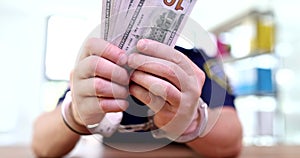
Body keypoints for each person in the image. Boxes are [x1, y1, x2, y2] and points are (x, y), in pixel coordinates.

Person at [31, 25, 243, 157]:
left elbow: (231, 140)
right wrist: (75, 113)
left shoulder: (197, 63)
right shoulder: (102, 63)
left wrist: (188, 121)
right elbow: (42, 144)